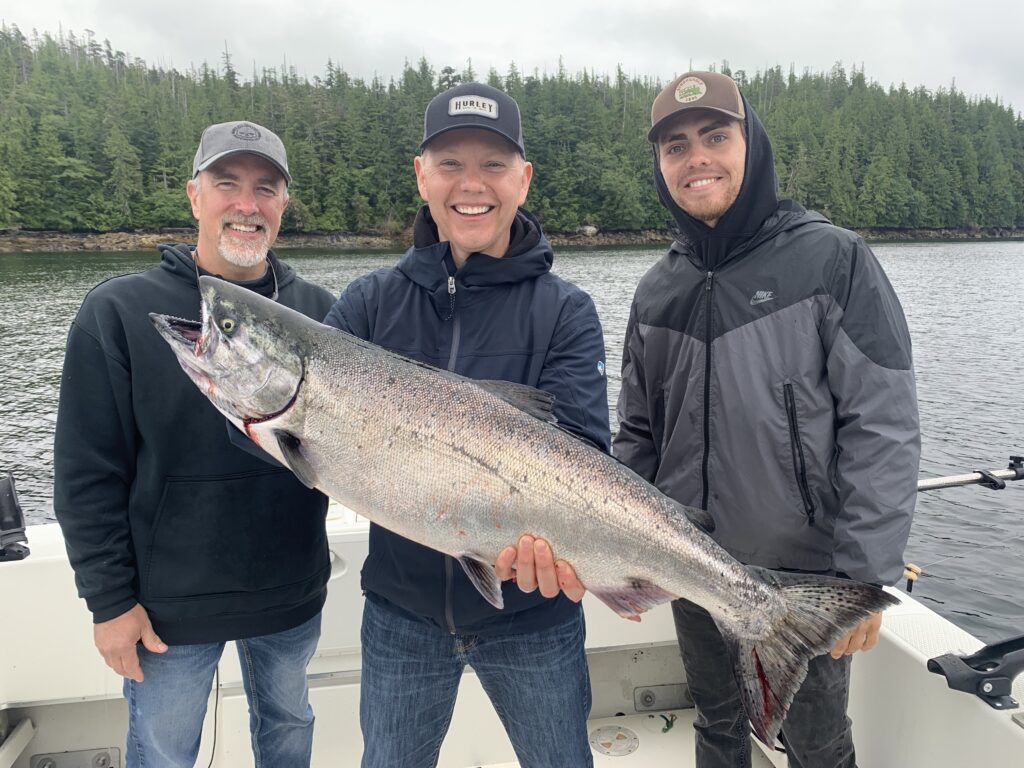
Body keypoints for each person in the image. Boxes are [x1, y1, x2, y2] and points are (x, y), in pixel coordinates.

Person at [614, 71, 920, 767]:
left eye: (716, 137)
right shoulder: (656, 289)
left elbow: (884, 426)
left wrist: (866, 575)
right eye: (676, 147)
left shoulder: (833, 260)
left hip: (806, 576)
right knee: (718, 726)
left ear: (752, 144)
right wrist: (628, 554)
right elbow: (636, 438)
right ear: (661, 167)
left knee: (815, 742)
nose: (697, 159)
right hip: (692, 563)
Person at [323, 82, 610, 768]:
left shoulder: (566, 312)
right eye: (450, 163)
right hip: (402, 612)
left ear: (524, 178)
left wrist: (563, 547)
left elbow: (587, 453)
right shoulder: (366, 307)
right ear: (422, 176)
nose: (471, 185)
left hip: (534, 618)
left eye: (493, 165)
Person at [53, 120, 334, 768]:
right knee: (162, 752)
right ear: (193, 195)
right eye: (226, 183)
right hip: (164, 608)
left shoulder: (321, 313)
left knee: (290, 728)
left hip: (289, 593)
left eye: (265, 188)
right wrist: (110, 602)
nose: (246, 203)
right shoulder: (118, 313)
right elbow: (85, 475)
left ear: (283, 206)